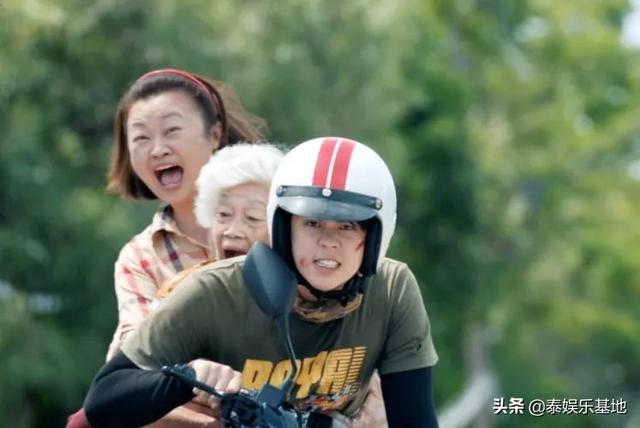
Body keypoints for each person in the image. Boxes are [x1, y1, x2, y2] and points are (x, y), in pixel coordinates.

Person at [82, 137, 439, 428]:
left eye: (347, 226)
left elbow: (415, 420)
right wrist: (185, 377)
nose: (328, 241)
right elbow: (104, 400)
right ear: (283, 227)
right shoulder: (213, 290)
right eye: (312, 223)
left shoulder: (393, 289)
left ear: (376, 236)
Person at [67, 68, 267, 428]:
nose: (158, 149)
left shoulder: (281, 218)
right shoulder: (140, 257)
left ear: (215, 134)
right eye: (141, 137)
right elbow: (132, 380)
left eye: (172, 130)